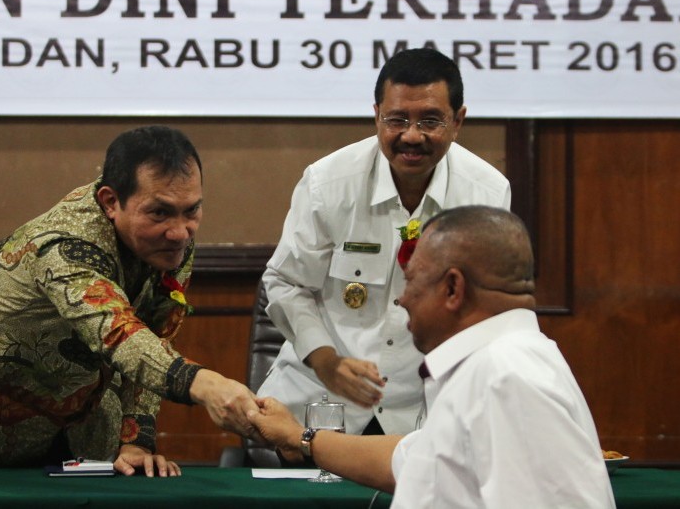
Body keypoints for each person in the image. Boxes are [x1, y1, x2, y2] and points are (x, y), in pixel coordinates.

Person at [0, 126, 259, 477]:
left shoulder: (172, 238)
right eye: (160, 213)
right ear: (110, 202)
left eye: (192, 210)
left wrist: (137, 439)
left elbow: (154, 334)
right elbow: (117, 332)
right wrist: (207, 385)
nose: (180, 232)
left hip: (69, 425)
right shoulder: (62, 244)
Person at [249, 206, 616, 508]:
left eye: (411, 281)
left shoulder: (506, 377)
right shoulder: (494, 363)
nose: (402, 300)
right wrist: (299, 436)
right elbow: (412, 460)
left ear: (453, 288)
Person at [257, 47, 511, 437]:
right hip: (317, 400)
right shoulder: (328, 183)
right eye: (396, 120)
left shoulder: (486, 195)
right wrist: (326, 361)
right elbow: (286, 283)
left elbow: (484, 311)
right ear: (376, 115)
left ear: (458, 121)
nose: (411, 136)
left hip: (422, 413)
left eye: (430, 121)